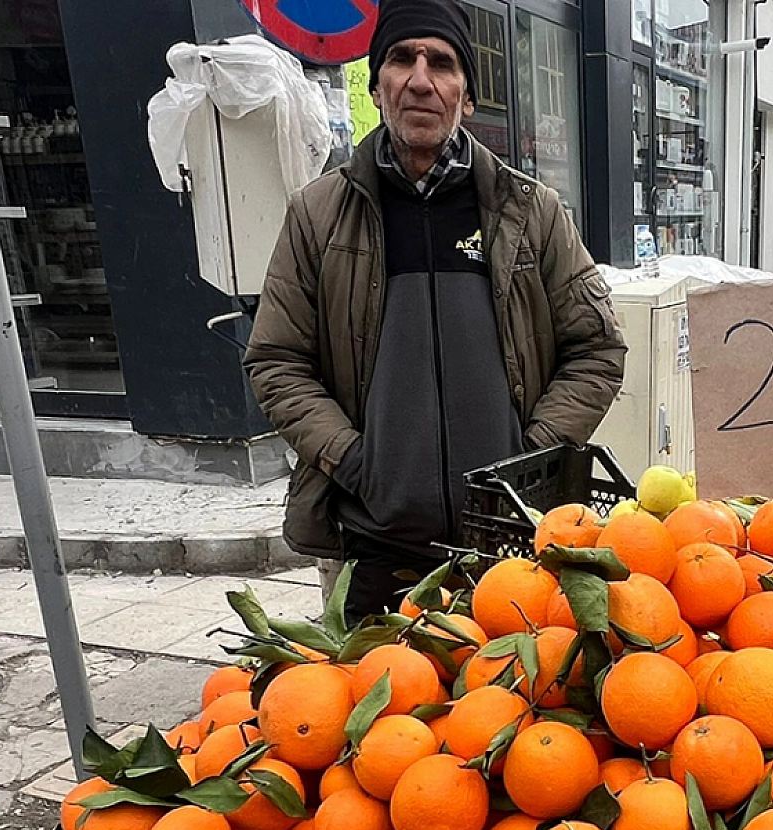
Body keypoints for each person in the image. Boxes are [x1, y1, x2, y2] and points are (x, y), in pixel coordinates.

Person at [244, 0, 627, 623]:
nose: (421, 80)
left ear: (466, 96)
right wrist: (356, 462)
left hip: (512, 550)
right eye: (402, 59)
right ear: (377, 86)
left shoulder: (530, 212)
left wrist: (531, 455)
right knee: (376, 687)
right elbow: (276, 360)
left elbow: (597, 348)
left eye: (442, 63)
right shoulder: (319, 215)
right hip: (376, 546)